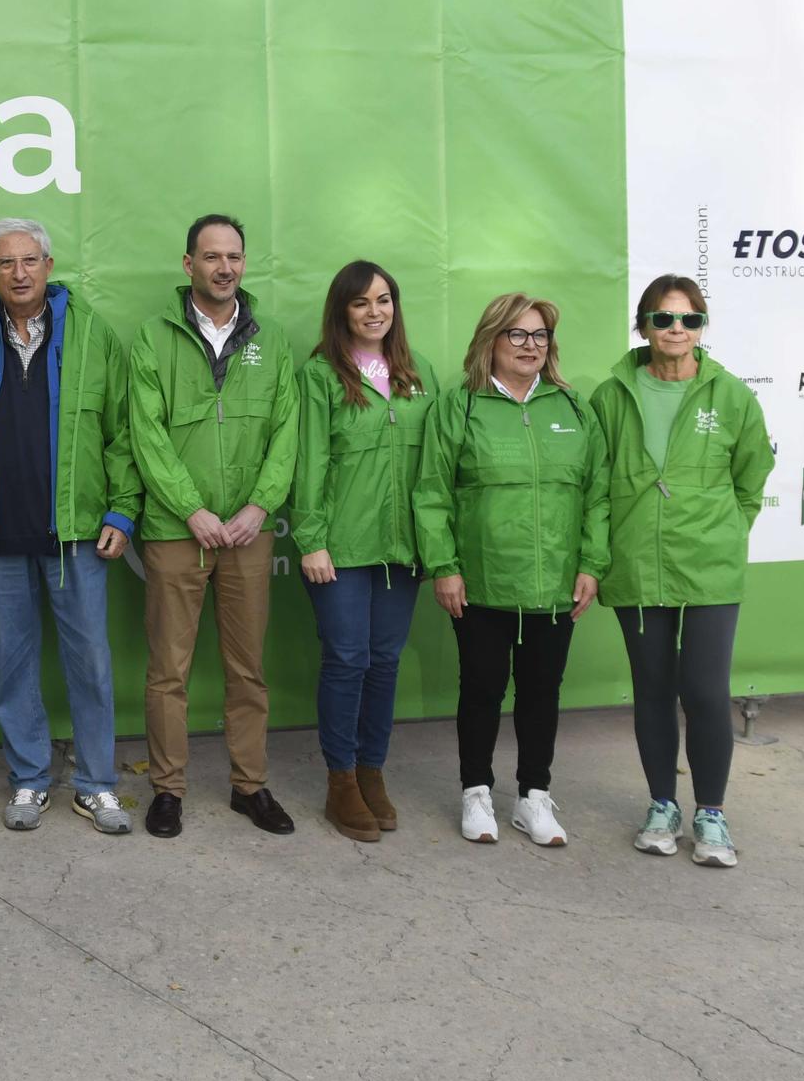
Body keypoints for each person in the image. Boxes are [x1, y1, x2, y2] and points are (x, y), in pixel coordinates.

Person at [0, 218, 139, 834]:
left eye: (30, 260)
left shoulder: (92, 335)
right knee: (12, 663)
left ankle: (97, 785)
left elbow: (122, 432)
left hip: (76, 533)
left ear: (49, 266)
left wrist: (122, 509)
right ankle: (29, 779)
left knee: (91, 664)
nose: (20, 273)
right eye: (6, 263)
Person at [414, 293, 609, 848]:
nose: (530, 346)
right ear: (491, 341)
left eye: (540, 336)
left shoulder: (572, 409)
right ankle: (476, 792)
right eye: (517, 335)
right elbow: (431, 493)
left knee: (542, 691)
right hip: (481, 584)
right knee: (481, 688)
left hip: (555, 586)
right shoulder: (461, 407)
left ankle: (534, 798)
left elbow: (597, 495)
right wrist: (444, 567)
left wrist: (592, 564)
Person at [590, 276, 773, 867]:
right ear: (642, 325)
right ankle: (662, 805)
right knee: (652, 691)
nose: (676, 330)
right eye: (663, 319)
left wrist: (719, 530)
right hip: (638, 566)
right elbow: (595, 485)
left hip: (709, 568)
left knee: (705, 692)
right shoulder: (611, 395)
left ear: (702, 327)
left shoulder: (733, 396)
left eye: (688, 320)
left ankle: (712, 815)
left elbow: (751, 479)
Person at [129, 214, 299, 840]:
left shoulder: (272, 341)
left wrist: (258, 507)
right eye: (210, 256)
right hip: (179, 531)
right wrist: (192, 510)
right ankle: (167, 790)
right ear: (188, 264)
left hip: (250, 533)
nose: (224, 267)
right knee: (167, 670)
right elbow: (146, 436)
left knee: (247, 666)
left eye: (234, 256)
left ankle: (248, 786)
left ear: (244, 264)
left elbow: (287, 432)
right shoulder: (153, 338)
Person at [292, 261, 438, 843]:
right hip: (342, 549)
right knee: (347, 660)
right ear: (342, 311)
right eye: (361, 303)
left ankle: (373, 772)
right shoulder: (322, 374)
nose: (374, 311)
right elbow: (309, 461)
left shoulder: (417, 371)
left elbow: (434, 466)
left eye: (384, 299)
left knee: (384, 662)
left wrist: (434, 543)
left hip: (401, 549)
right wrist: (312, 539)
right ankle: (341, 780)